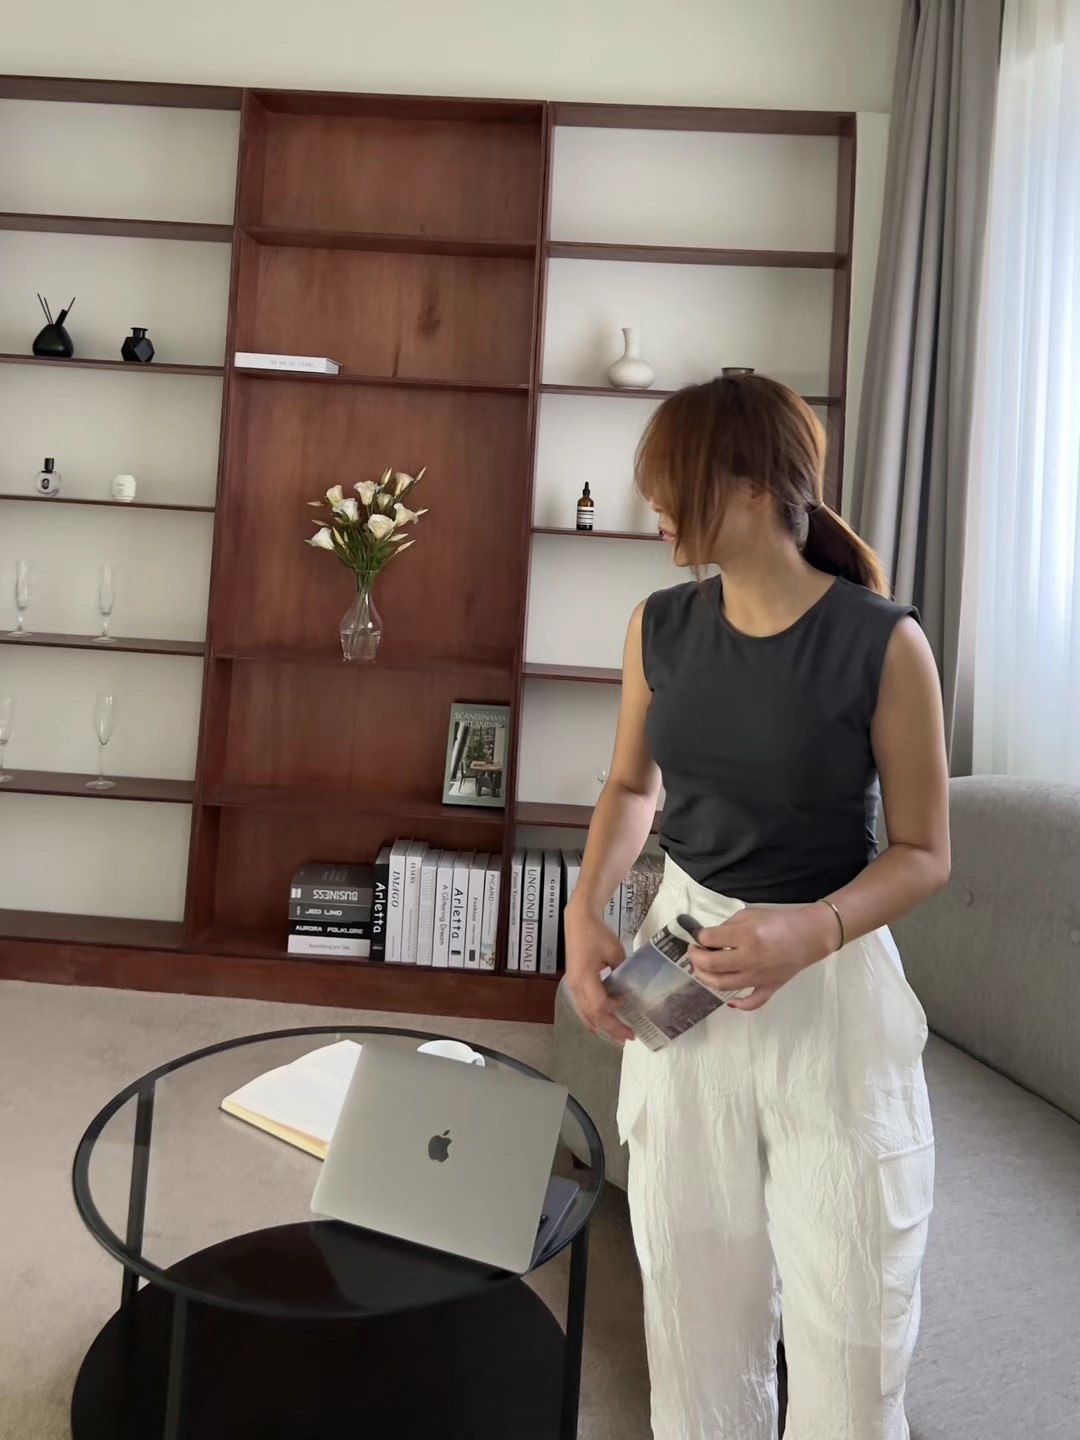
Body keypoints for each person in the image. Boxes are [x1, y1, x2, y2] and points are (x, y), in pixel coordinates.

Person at [564, 375, 949, 1440]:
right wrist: (587, 910)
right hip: (680, 957)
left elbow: (924, 852)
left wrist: (812, 928)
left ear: (748, 484)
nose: (653, 507)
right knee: (691, 1322)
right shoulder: (660, 626)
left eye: (669, 484)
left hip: (831, 985)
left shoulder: (884, 642)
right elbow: (631, 788)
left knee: (853, 1343)